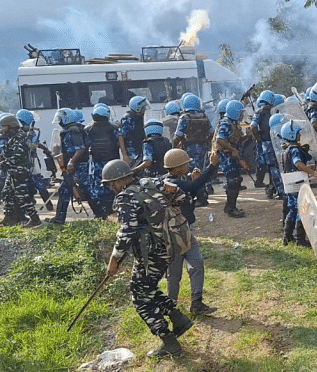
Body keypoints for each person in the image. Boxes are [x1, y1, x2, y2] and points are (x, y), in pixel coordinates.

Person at [102, 159, 194, 358]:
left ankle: (169, 341)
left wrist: (114, 260)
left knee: (140, 299)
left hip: (149, 255)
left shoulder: (125, 198)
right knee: (148, 288)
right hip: (168, 248)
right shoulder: (154, 182)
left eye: (112, 183)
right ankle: (178, 319)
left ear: (120, 181)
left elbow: (127, 232)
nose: (111, 188)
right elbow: (181, 195)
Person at [161, 149, 219, 316]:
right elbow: (193, 187)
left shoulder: (179, 181)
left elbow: (192, 191)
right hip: (173, 234)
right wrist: (212, 166)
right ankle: (171, 307)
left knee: (196, 263)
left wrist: (195, 181)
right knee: (174, 273)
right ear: (177, 167)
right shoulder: (172, 183)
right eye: (185, 163)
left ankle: (196, 303)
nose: (188, 165)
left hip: (185, 230)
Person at [280, 121, 317, 246]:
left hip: (289, 184)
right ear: (292, 134)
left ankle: (287, 237)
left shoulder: (285, 149)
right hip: (297, 185)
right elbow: (298, 164)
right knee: (301, 210)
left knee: (292, 210)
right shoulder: (294, 150)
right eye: (298, 133)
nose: (300, 135)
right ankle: (300, 239)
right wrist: (313, 173)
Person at [48, 109, 94, 225]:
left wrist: (71, 162)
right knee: (64, 191)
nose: (59, 122)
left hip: (79, 166)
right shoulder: (70, 130)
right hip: (73, 166)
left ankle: (101, 215)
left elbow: (80, 149)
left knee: (88, 191)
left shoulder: (74, 131)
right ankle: (59, 218)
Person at [0, 114, 41, 227]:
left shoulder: (20, 138)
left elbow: (18, 157)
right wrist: (1, 157)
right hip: (13, 171)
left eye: (5, 126)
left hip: (20, 171)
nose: (3, 129)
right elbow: (8, 151)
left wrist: (3, 164)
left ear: (11, 126)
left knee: (22, 196)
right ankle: (9, 218)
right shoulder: (13, 137)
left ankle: (35, 219)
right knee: (7, 193)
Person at [173, 94, 213, 205]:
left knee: (193, 173)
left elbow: (178, 135)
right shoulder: (204, 116)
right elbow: (212, 133)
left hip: (190, 149)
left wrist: (174, 149)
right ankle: (204, 193)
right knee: (202, 170)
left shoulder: (184, 117)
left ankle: (201, 198)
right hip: (203, 148)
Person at [85, 104, 123, 218]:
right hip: (112, 162)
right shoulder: (113, 128)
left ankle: (102, 213)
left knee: (98, 187)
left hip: (97, 162)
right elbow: (119, 140)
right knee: (114, 185)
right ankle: (112, 209)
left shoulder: (88, 129)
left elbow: (86, 145)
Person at [215, 100, 250, 218]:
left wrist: (247, 137)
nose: (241, 115)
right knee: (233, 181)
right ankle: (231, 208)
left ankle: (230, 206)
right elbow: (220, 139)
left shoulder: (234, 123)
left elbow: (237, 140)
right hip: (226, 156)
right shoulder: (225, 123)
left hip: (233, 156)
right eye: (240, 113)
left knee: (236, 180)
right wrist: (232, 150)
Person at [251, 90, 277, 189]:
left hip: (264, 142)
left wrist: (258, 139)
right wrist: (258, 139)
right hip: (271, 142)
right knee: (273, 164)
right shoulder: (274, 111)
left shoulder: (259, 112)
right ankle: (273, 184)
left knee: (262, 163)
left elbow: (253, 127)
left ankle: (260, 181)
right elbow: (253, 127)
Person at [119, 96, 150, 163]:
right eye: (143, 107)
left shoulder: (140, 117)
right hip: (132, 154)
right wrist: (124, 155)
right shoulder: (127, 119)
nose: (144, 109)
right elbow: (121, 137)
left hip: (141, 151)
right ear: (137, 108)